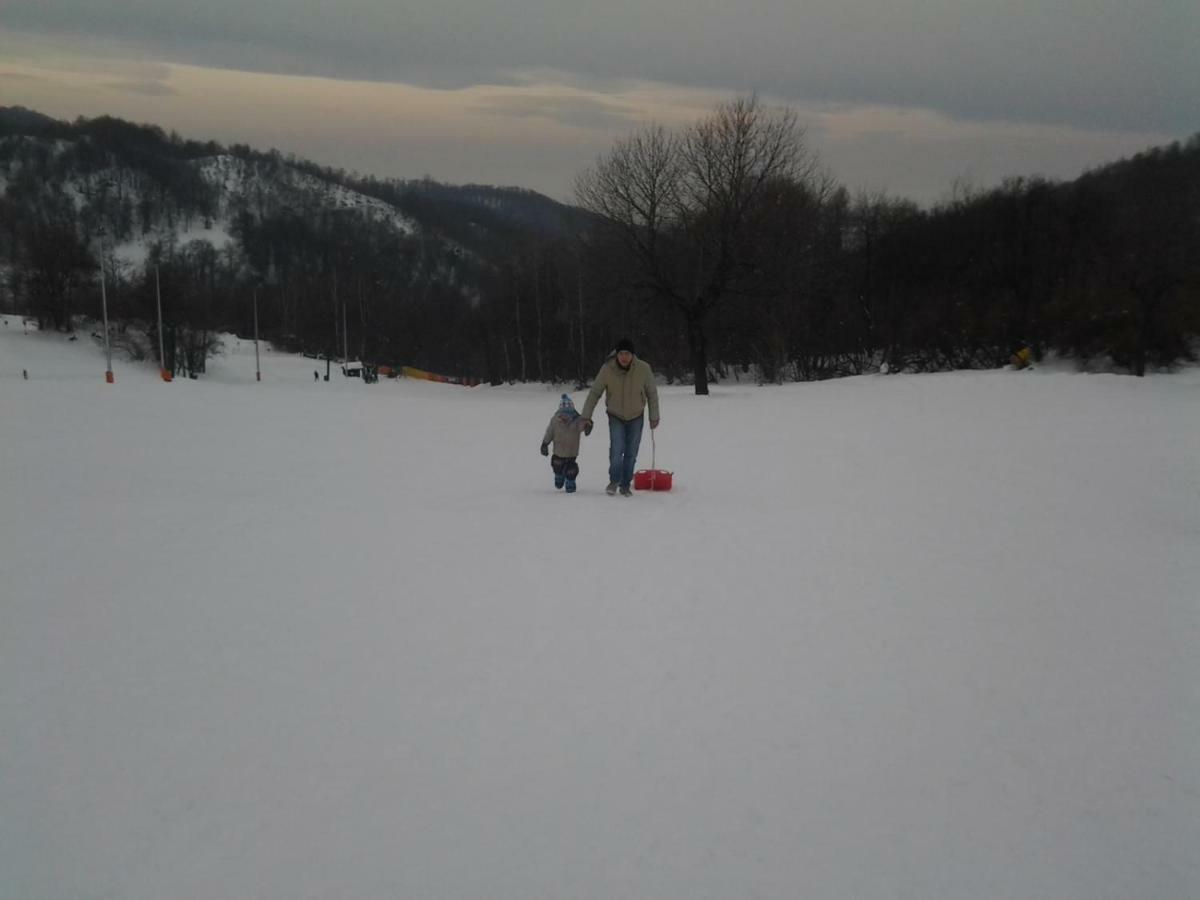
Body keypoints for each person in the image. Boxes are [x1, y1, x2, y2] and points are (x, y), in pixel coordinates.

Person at [581, 338, 660, 496]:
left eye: (627, 354)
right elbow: (595, 393)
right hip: (615, 415)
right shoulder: (607, 369)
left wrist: (654, 415)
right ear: (617, 354)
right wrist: (586, 416)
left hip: (636, 415)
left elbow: (652, 394)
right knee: (617, 450)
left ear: (632, 355)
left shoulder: (643, 369)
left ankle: (625, 484)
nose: (624, 357)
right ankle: (614, 480)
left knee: (631, 452)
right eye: (621, 354)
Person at [540, 393, 591, 493]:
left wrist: (588, 426)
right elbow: (549, 432)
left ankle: (570, 482)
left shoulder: (577, 421)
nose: (566, 417)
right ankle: (559, 477)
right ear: (560, 413)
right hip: (558, 452)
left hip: (572, 453)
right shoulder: (555, 421)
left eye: (569, 415)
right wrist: (545, 444)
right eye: (563, 415)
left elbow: (584, 426)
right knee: (557, 465)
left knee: (571, 470)